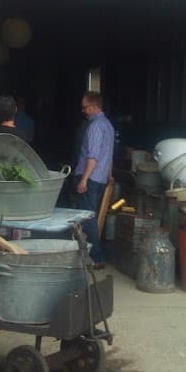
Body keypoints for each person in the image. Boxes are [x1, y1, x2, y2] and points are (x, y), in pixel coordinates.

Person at [73, 90, 113, 268]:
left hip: (91, 177)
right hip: (100, 177)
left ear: (95, 106)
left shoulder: (96, 126)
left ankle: (96, 258)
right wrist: (109, 175)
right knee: (90, 217)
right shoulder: (108, 125)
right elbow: (109, 155)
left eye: (85, 107)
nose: (83, 111)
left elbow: (94, 156)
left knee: (87, 218)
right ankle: (90, 255)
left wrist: (84, 179)